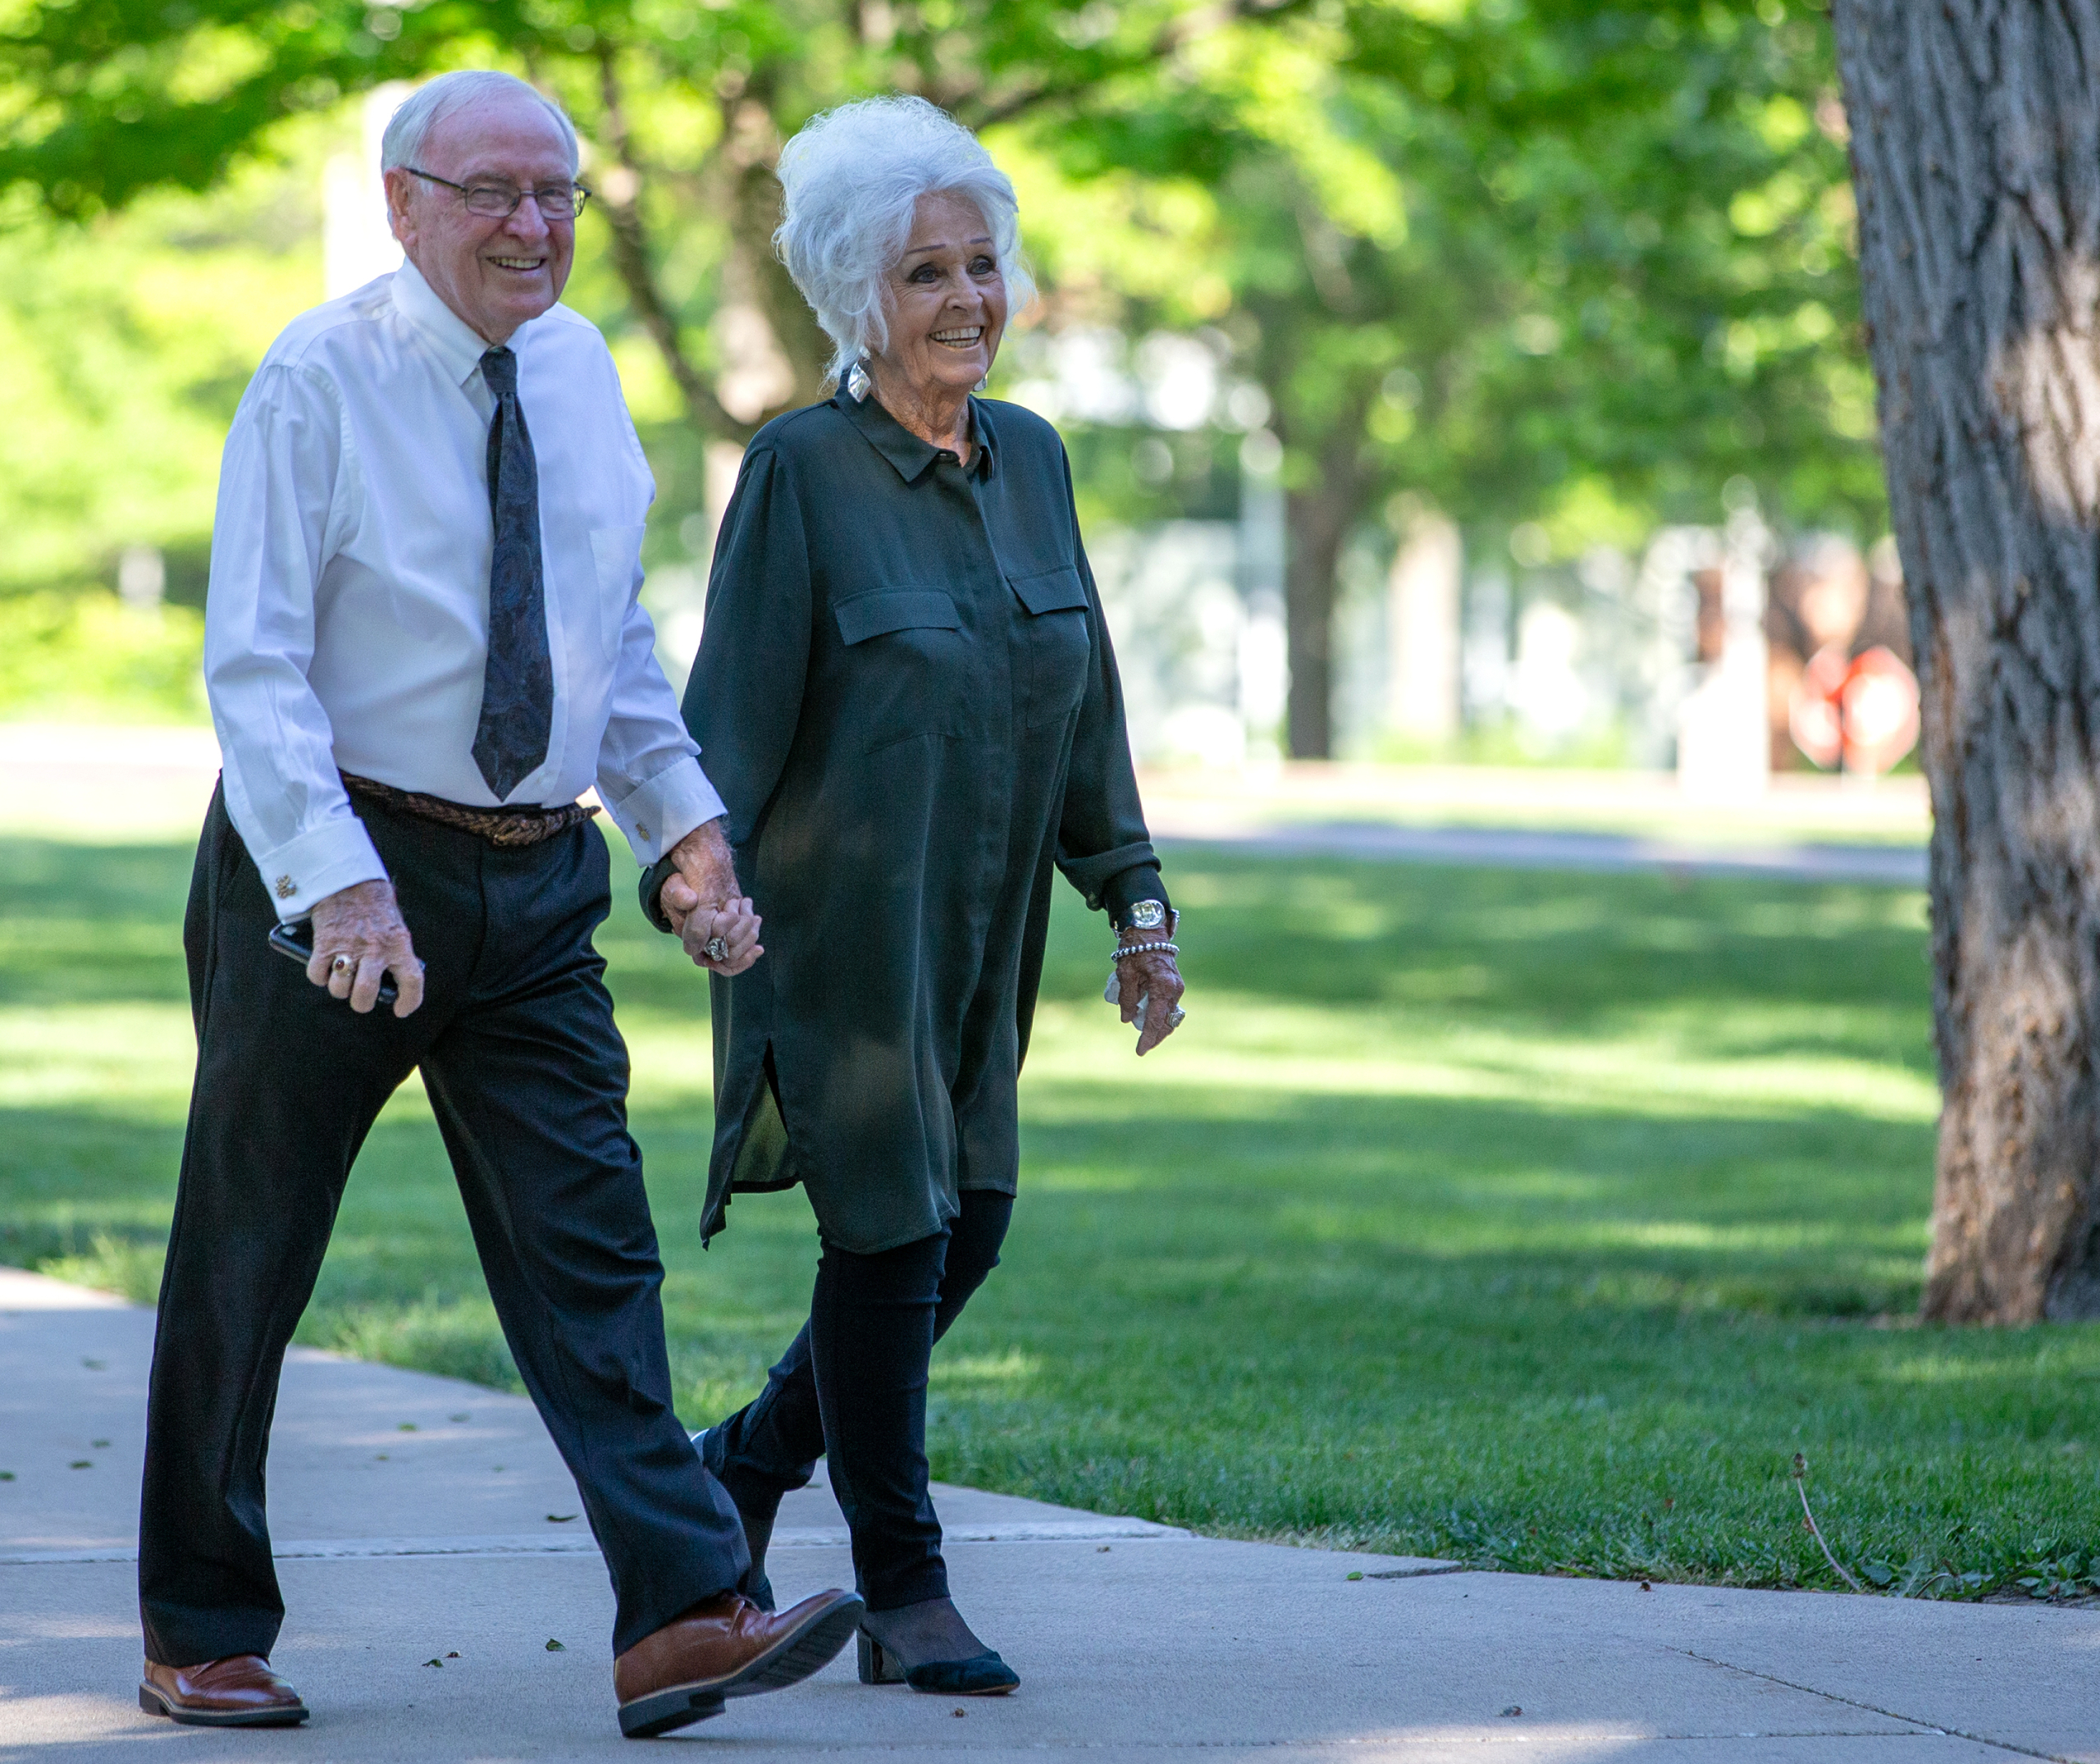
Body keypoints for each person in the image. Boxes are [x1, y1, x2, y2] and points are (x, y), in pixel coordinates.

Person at [137, 70, 860, 1740]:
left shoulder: (588, 371)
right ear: (403, 203)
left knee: (592, 1249)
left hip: (536, 877)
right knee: (249, 1250)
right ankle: (200, 1623)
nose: (533, 227)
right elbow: (252, 671)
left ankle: (680, 1611)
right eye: (491, 193)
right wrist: (341, 885)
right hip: (331, 876)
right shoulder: (316, 380)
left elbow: (604, 644)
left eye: (559, 195)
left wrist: (684, 831)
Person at [638, 95, 1187, 1697]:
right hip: (830, 928)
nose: (966, 298)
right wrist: (696, 872)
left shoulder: (1031, 461)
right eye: (925, 273)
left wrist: (1133, 900)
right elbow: (718, 716)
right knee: (888, 1235)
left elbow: (1081, 697)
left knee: (975, 1224)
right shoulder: (802, 472)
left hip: (980, 930)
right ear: (853, 305)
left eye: (982, 264)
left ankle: (738, 1463)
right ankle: (905, 1585)